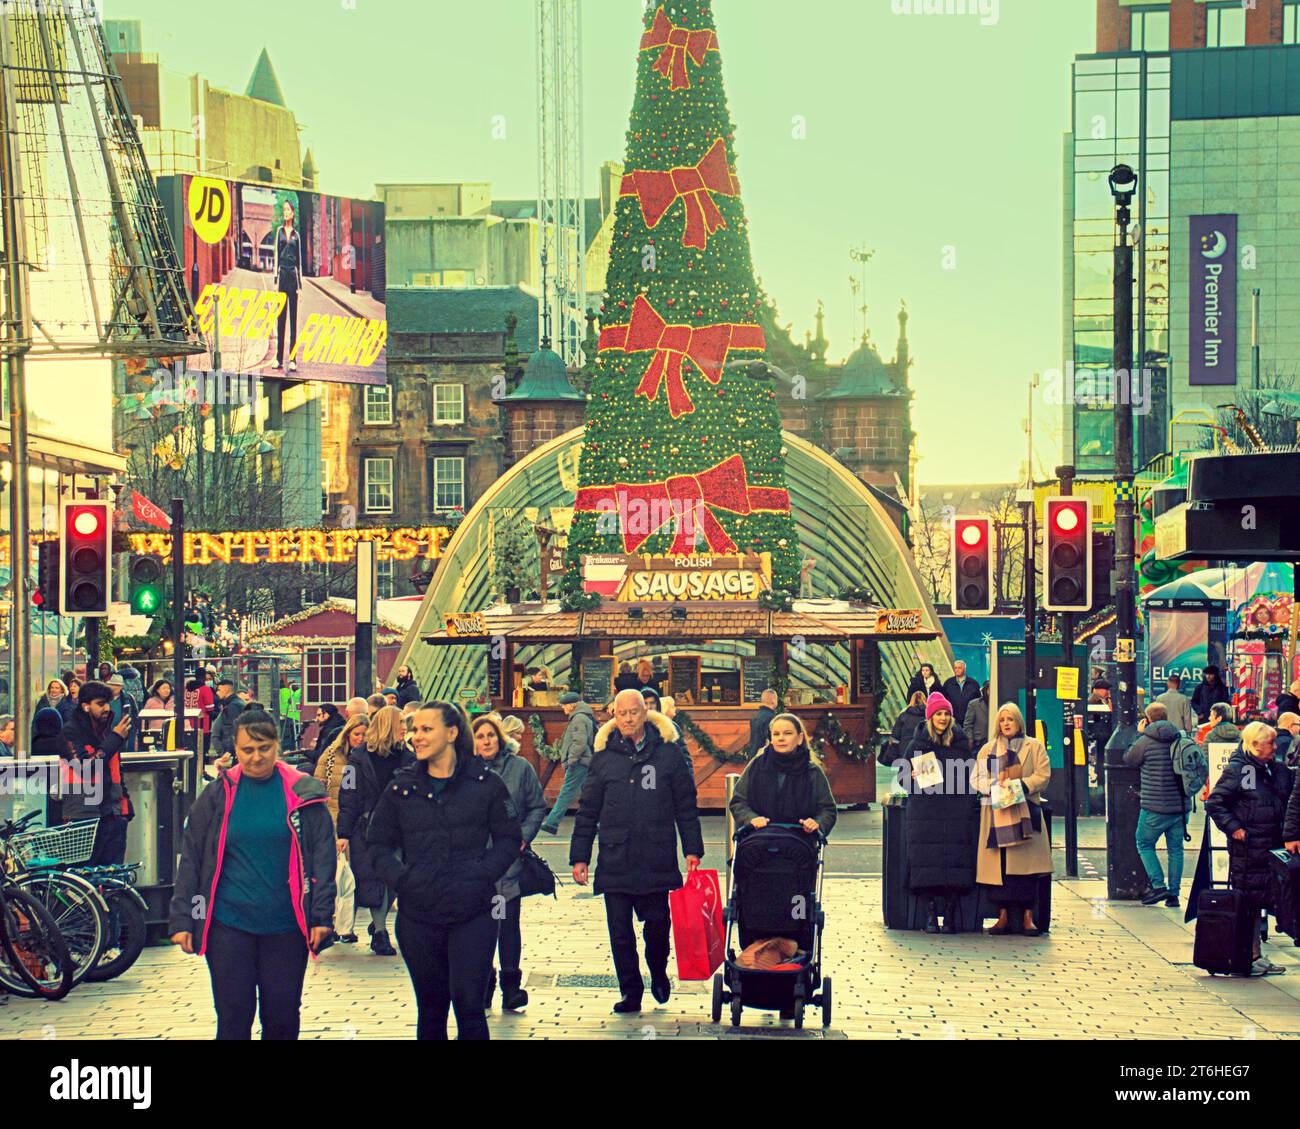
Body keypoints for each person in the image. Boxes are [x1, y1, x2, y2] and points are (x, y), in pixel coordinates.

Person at [168, 710, 336, 1039]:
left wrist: (321, 916)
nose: (256, 757)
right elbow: (193, 858)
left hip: (287, 926)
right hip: (228, 925)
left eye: (264, 748)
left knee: (283, 1016)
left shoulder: (303, 793)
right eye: (247, 750)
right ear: (235, 749)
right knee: (233, 1016)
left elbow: (322, 859)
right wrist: (183, 918)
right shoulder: (218, 794)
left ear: (278, 746)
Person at [366, 702, 521, 1040]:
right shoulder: (401, 789)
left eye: (426, 729)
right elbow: (376, 844)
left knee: (469, 1005)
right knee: (432, 1008)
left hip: (474, 911)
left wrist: (481, 873)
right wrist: (403, 880)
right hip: (419, 913)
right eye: (414, 730)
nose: (416, 737)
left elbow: (509, 839)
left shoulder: (485, 784)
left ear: (451, 733)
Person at [570, 690, 703, 1014]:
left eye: (634, 712)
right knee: (620, 933)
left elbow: (685, 805)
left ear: (646, 713)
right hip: (615, 856)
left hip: (656, 855)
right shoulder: (603, 758)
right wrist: (580, 856)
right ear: (614, 716)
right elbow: (588, 810)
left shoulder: (668, 754)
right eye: (622, 713)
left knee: (658, 925)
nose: (628, 719)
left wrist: (692, 849)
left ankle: (658, 971)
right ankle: (631, 991)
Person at [472, 715, 547, 1012]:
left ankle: (511, 986)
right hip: (475, 863)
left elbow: (536, 806)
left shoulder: (519, 768)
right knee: (479, 927)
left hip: (507, 863)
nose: (486, 741)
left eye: (490, 735)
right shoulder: (466, 771)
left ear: (499, 738)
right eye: (480, 736)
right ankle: (484, 980)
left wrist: (523, 838)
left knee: (506, 924)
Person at [1205, 721, 1293, 976]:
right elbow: (1216, 802)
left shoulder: (1273, 769)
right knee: (1249, 902)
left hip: (1272, 845)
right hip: (1250, 847)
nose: (1275, 748)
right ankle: (1248, 954)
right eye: (1270, 744)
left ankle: (1255, 953)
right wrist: (1235, 827)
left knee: (1265, 900)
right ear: (1254, 745)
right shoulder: (1241, 770)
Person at [900, 693, 977, 934]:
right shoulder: (918, 745)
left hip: (955, 810)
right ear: (930, 717)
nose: (943, 718)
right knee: (927, 861)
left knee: (955, 860)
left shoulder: (961, 743)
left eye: (946, 714)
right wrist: (910, 778)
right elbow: (903, 778)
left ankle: (952, 913)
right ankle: (931, 913)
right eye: (938, 714)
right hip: (926, 812)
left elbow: (970, 775)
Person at [973, 703, 1052, 935]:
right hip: (997, 814)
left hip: (1025, 811)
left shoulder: (1034, 746)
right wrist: (992, 786)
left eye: (1010, 719)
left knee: (1027, 868)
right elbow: (976, 777)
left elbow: (1043, 775)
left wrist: (1020, 785)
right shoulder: (987, 749)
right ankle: (1002, 915)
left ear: (1019, 722)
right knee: (1002, 867)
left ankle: (1028, 916)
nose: (1006, 723)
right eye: (1002, 720)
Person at [338, 704, 406, 956]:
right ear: (389, 725)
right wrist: (342, 833)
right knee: (375, 879)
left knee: (395, 880)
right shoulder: (357, 759)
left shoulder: (406, 756)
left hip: (400, 830)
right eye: (401, 724)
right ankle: (380, 932)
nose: (404, 730)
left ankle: (379, 926)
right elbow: (347, 795)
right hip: (367, 829)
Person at [1123, 703, 1192, 908]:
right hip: (1180, 806)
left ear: (1148, 719)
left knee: (1144, 843)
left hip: (1154, 806)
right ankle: (1174, 895)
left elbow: (1129, 759)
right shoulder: (1180, 738)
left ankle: (1158, 885)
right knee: (1176, 850)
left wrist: (1138, 734)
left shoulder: (1144, 741)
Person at [59, 682, 133, 864]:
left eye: (108, 703)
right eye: (100, 704)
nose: (106, 708)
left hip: (112, 814)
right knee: (84, 877)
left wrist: (124, 805)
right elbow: (85, 767)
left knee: (113, 878)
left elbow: (115, 770)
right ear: (85, 706)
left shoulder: (106, 730)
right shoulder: (71, 731)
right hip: (83, 817)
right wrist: (115, 739)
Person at [728, 713, 837, 837]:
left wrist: (817, 823)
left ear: (800, 738)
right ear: (771, 739)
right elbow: (738, 802)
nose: (781, 738)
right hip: (758, 840)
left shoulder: (812, 771)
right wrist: (751, 819)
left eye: (787, 733)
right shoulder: (756, 766)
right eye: (776, 734)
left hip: (800, 842)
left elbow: (827, 810)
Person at [316, 714, 369, 945]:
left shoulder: (366, 758)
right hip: (332, 820)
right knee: (336, 876)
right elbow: (318, 785)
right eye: (357, 734)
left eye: (365, 734)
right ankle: (332, 923)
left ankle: (344, 926)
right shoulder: (331, 756)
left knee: (348, 878)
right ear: (347, 733)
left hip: (354, 823)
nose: (360, 738)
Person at [539, 693, 596, 836]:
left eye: (564, 705)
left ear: (572, 705)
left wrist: (571, 760)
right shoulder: (582, 716)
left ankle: (552, 823)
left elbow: (579, 742)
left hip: (579, 762)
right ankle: (597, 822)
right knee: (589, 795)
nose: (563, 708)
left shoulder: (579, 719)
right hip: (583, 761)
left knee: (566, 793)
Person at [272, 198, 303, 373]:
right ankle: (278, 358)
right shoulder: (279, 232)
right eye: (283, 210)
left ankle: (293, 359)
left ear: (292, 213)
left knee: (293, 320)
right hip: (282, 275)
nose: (285, 212)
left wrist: (300, 285)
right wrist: (275, 281)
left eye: (288, 210)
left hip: (293, 276)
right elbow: (276, 256)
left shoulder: (296, 236)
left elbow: (299, 262)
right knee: (280, 319)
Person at [880, 691, 927, 766]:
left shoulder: (904, 715)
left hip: (905, 750)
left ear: (911, 700)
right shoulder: (929, 716)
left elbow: (895, 735)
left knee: (906, 775)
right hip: (923, 750)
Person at [210, 679, 246, 761]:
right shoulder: (233, 704)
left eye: (219, 690)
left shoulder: (233, 706)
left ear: (226, 690)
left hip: (231, 754)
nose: (217, 693)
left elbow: (231, 730)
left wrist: (228, 752)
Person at [941, 660, 981, 727]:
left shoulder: (973, 684)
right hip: (952, 720)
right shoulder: (948, 683)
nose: (957, 670)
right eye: (955, 668)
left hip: (969, 720)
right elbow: (943, 701)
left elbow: (978, 703)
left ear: (965, 669)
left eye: (959, 668)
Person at [747, 688, 779, 758]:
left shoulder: (755, 717)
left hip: (753, 756)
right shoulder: (772, 718)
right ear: (773, 701)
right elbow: (771, 741)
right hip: (764, 758)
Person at [963, 682, 991, 748]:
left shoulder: (999, 704)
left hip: (994, 742)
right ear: (985, 690)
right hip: (978, 744)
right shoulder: (974, 704)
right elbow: (968, 724)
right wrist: (970, 740)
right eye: (989, 690)